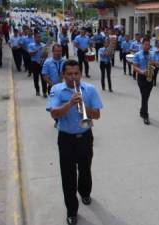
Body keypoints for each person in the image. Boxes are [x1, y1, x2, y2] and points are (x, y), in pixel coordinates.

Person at [46, 59, 103, 225]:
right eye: (69, 74)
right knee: (68, 175)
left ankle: (85, 192)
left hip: (85, 136)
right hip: (66, 139)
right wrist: (70, 103)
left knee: (85, 169)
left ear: (80, 74)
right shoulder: (56, 90)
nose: (73, 77)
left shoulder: (90, 89)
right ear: (63, 75)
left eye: (76, 73)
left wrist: (84, 104)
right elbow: (54, 114)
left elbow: (97, 115)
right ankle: (71, 210)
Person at [133, 38, 159, 125]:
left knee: (146, 96)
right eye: (146, 44)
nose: (147, 46)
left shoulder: (153, 54)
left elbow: (158, 64)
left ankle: (142, 111)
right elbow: (135, 67)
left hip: (150, 76)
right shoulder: (137, 54)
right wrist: (142, 71)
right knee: (144, 95)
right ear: (142, 45)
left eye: (148, 45)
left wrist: (154, 62)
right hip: (141, 77)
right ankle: (145, 116)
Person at [28, 33, 47, 97]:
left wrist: (44, 54)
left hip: (42, 63)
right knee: (35, 78)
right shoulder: (31, 45)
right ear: (35, 38)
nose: (39, 39)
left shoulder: (43, 45)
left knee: (43, 78)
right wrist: (37, 50)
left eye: (40, 37)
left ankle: (44, 92)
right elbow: (30, 54)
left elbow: (46, 55)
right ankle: (37, 90)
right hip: (34, 63)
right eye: (37, 37)